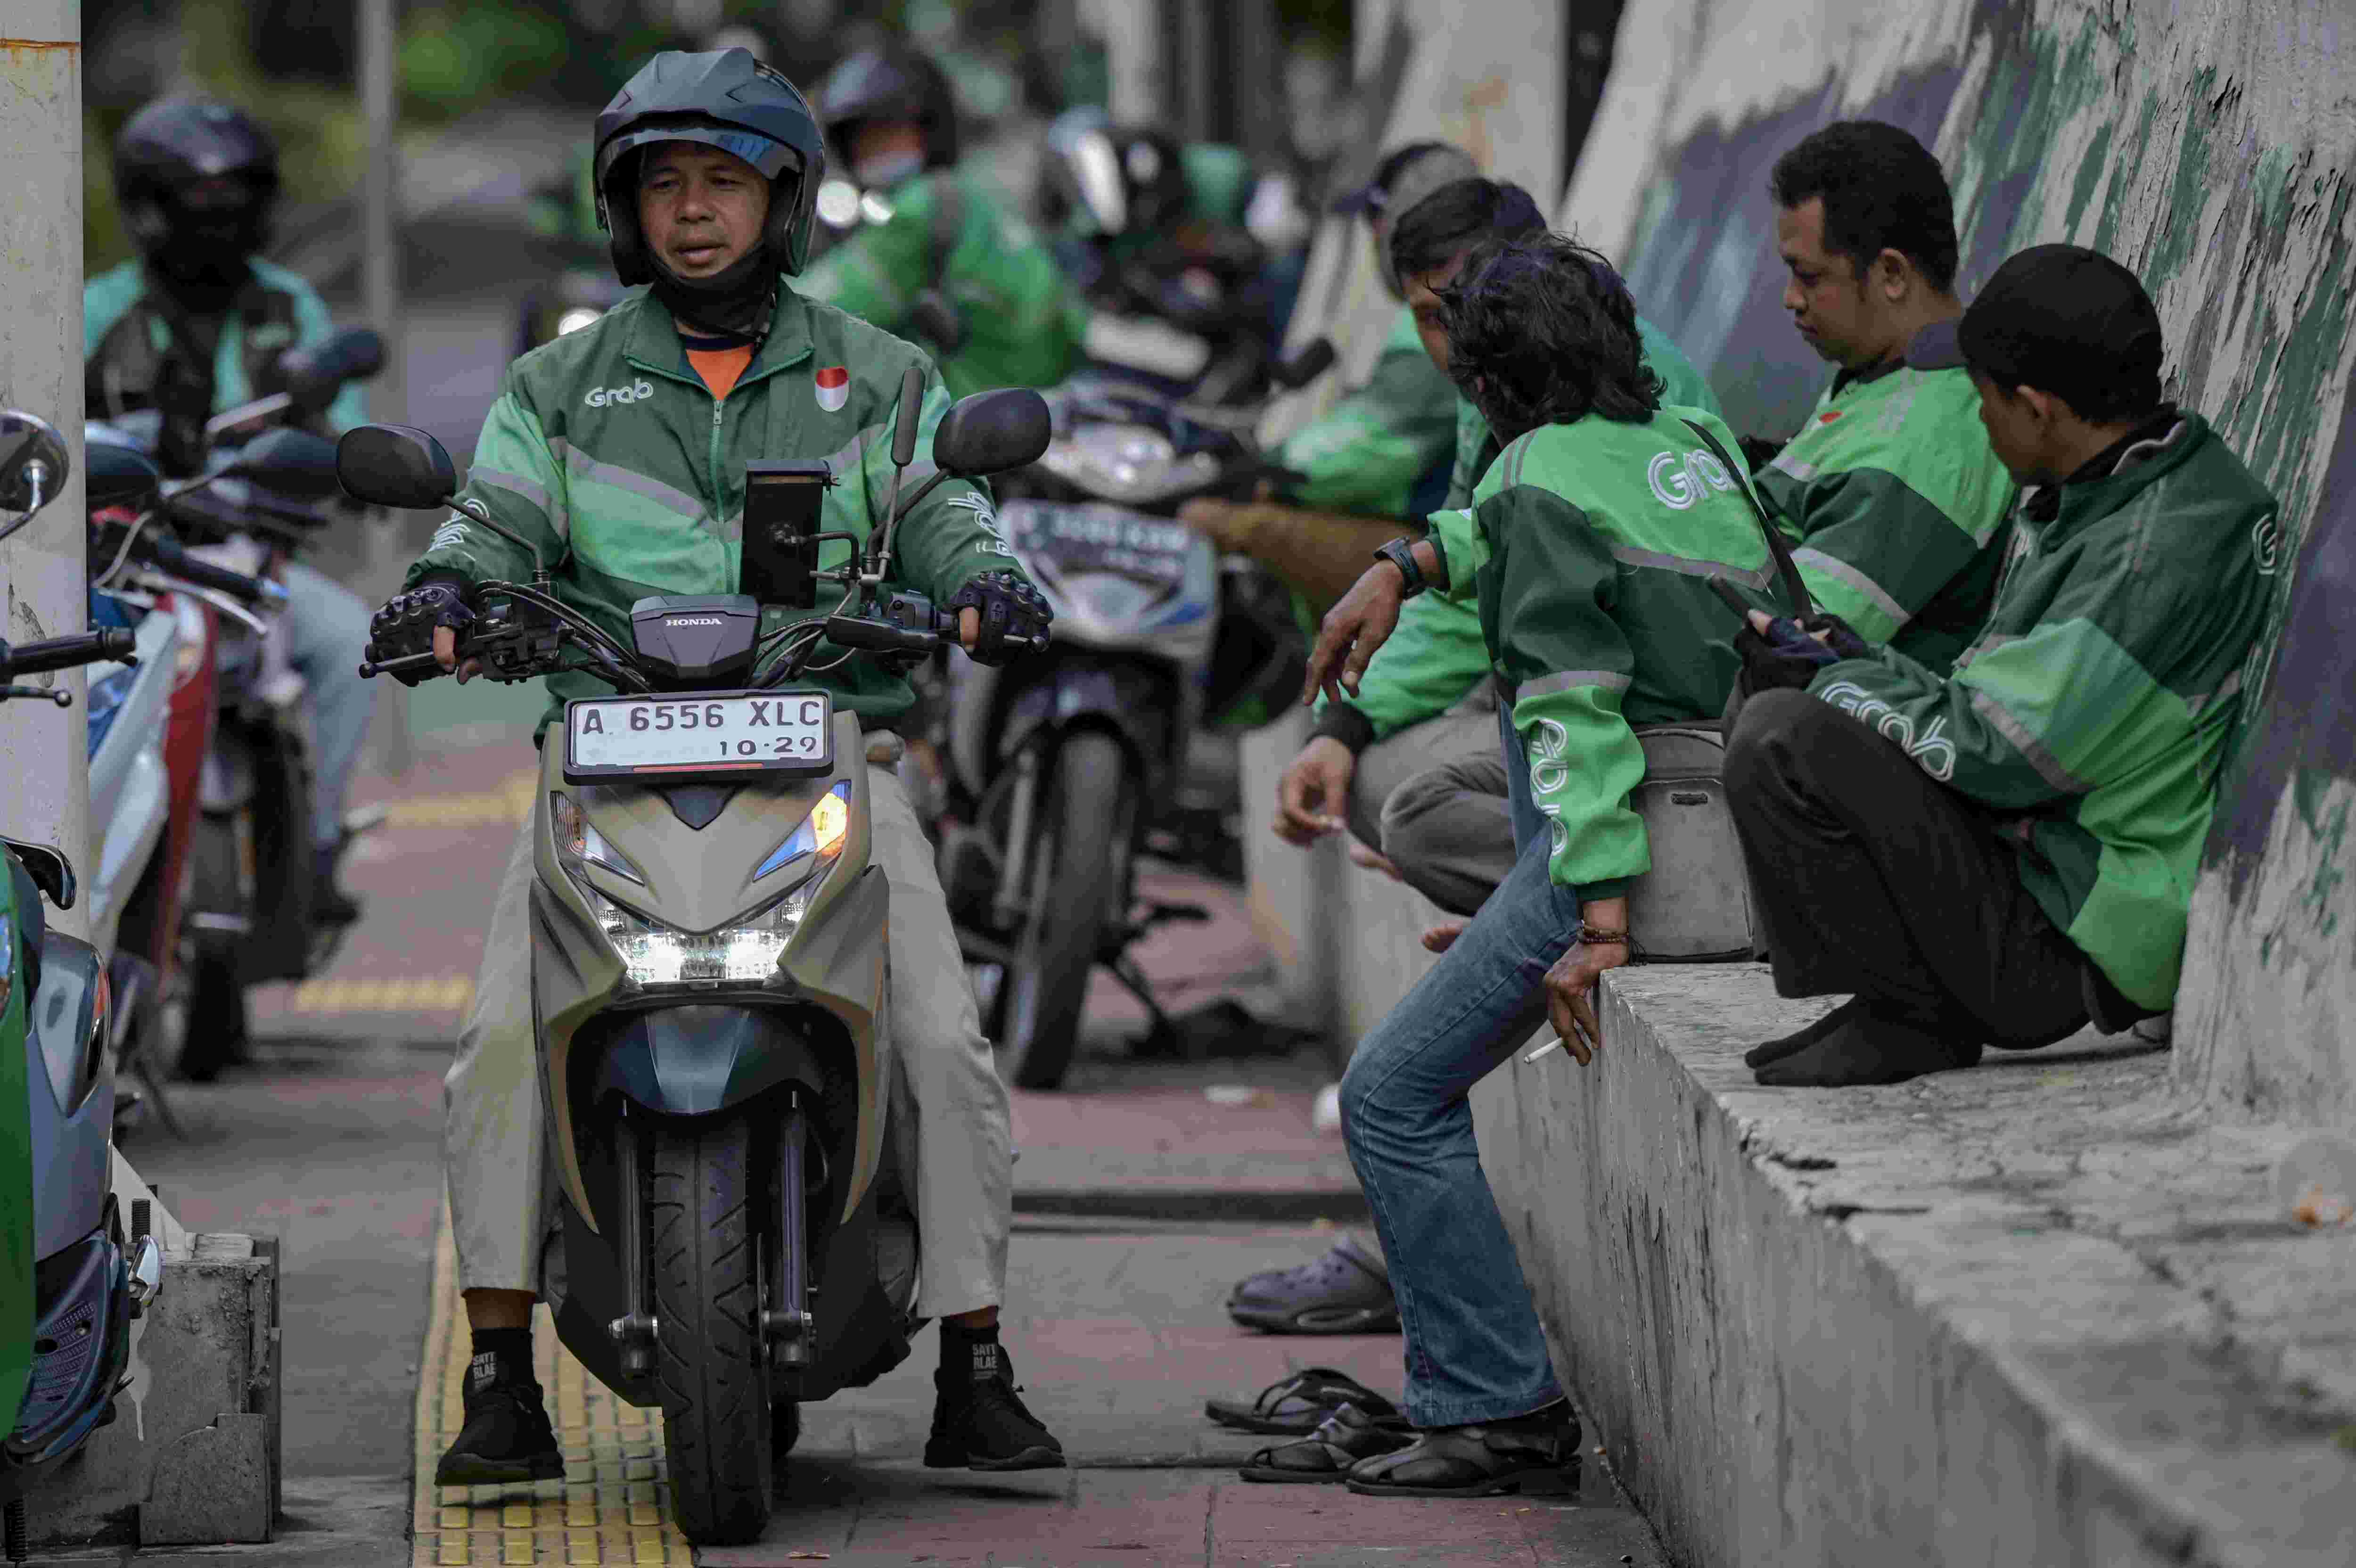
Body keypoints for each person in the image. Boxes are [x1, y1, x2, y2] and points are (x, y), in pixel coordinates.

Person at [363, 48, 1063, 1485]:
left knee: (938, 1038)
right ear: (623, 209)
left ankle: (975, 1357)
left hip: (832, 753)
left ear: (783, 201)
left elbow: (941, 511)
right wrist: (445, 598)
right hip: (601, 770)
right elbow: (487, 526)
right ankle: (501, 1375)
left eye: (724, 184)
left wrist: (988, 579)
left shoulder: (876, 373)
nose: (694, 214)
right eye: (666, 186)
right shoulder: (557, 386)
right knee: (499, 1044)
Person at [1256, 234, 1771, 1493]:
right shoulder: (1690, 446)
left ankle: (1494, 1404)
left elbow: (1569, 710)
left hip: (1609, 844)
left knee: (1388, 1097)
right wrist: (1407, 560)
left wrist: (1591, 921)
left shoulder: (1531, 481)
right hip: (1723, 820)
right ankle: (1484, 1392)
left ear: (1480, 389)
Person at [1725, 245, 2274, 1087]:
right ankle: (1893, 1003)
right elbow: (1990, 707)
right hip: (2033, 863)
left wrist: (1831, 680)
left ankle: (1911, 1016)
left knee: (1777, 736)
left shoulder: (2144, 560)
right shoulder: (2127, 486)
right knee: (1807, 687)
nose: (1974, 423)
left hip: (2067, 932)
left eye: (1981, 401)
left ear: (2033, 407)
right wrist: (1848, 655)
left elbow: (1999, 756)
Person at [84, 97, 376, 922]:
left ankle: (317, 845)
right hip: (131, 561)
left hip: (254, 558)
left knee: (349, 640)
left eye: (237, 201)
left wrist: (327, 443)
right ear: (147, 209)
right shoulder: (98, 311)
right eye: (197, 203)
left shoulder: (289, 309)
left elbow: (346, 421)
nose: (220, 221)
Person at [1749, 122, 2018, 675]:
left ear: (1891, 274)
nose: (1790, 299)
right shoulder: (1878, 375)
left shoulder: (1930, 436)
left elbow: (1793, 644)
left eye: (1808, 276)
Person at [799, 43, 1087, 398]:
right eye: (866, 139)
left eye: (892, 134)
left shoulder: (923, 207)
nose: (878, 150)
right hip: (1048, 397)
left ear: (932, 130)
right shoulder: (972, 192)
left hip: (989, 416)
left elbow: (816, 314)